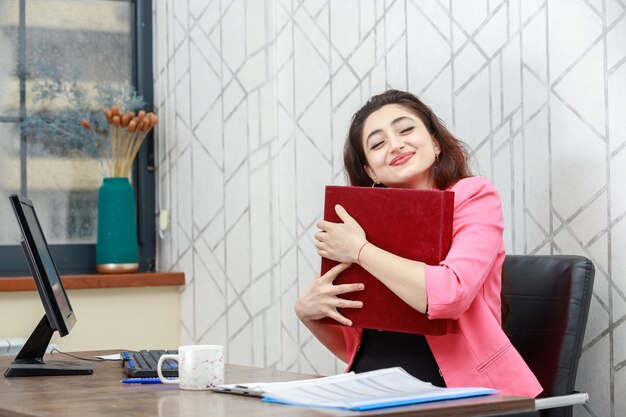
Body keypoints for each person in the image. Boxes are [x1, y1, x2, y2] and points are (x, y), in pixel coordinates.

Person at [294, 89, 542, 397]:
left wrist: (360, 251)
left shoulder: (474, 196)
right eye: (378, 143)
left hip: (462, 396)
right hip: (371, 389)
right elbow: (355, 348)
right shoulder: (359, 224)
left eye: (405, 130)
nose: (395, 145)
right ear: (371, 171)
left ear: (435, 143)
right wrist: (309, 313)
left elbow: (451, 293)